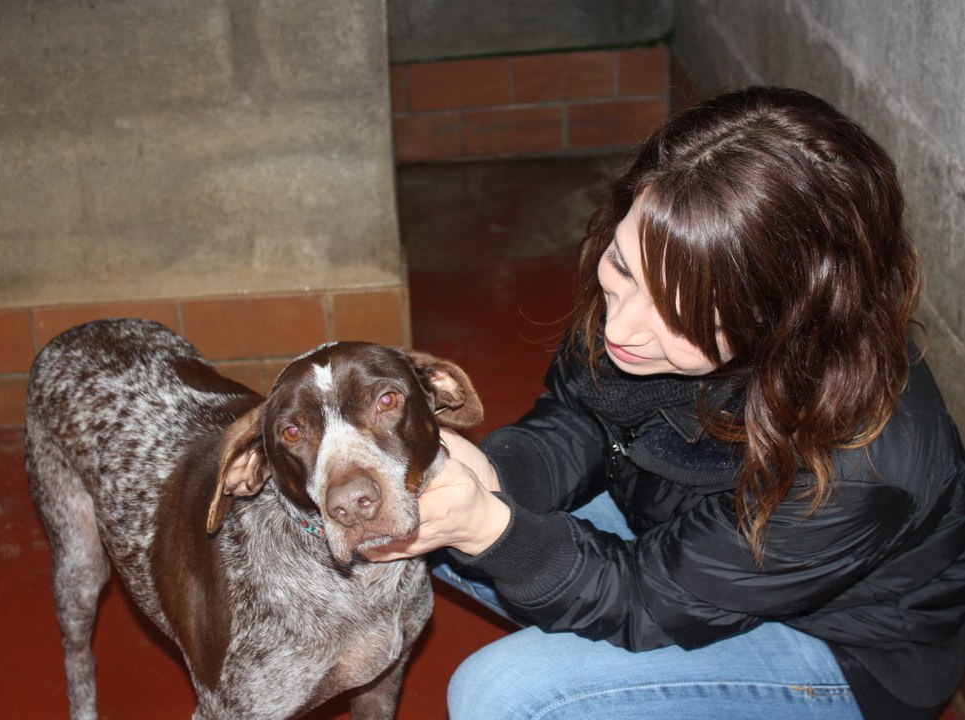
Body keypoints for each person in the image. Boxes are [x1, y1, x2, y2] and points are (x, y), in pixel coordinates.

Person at [367, 86, 965, 719]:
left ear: (785, 318)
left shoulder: (858, 469)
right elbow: (583, 417)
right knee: (416, 507)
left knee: (503, 693)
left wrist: (496, 530)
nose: (621, 327)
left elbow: (645, 599)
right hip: (685, 537)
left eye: (683, 315)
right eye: (622, 268)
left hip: (841, 646)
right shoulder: (662, 275)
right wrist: (497, 475)